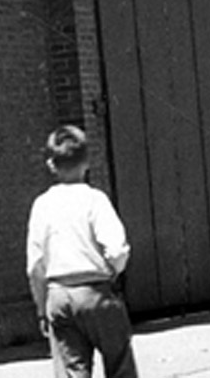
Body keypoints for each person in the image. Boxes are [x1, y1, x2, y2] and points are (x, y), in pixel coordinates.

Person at [27, 125, 136, 378]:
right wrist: (112, 271)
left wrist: (42, 307)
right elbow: (117, 250)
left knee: (72, 369)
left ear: (51, 165)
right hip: (96, 290)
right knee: (119, 363)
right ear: (87, 162)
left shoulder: (42, 205)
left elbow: (35, 265)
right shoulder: (95, 199)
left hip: (59, 294)